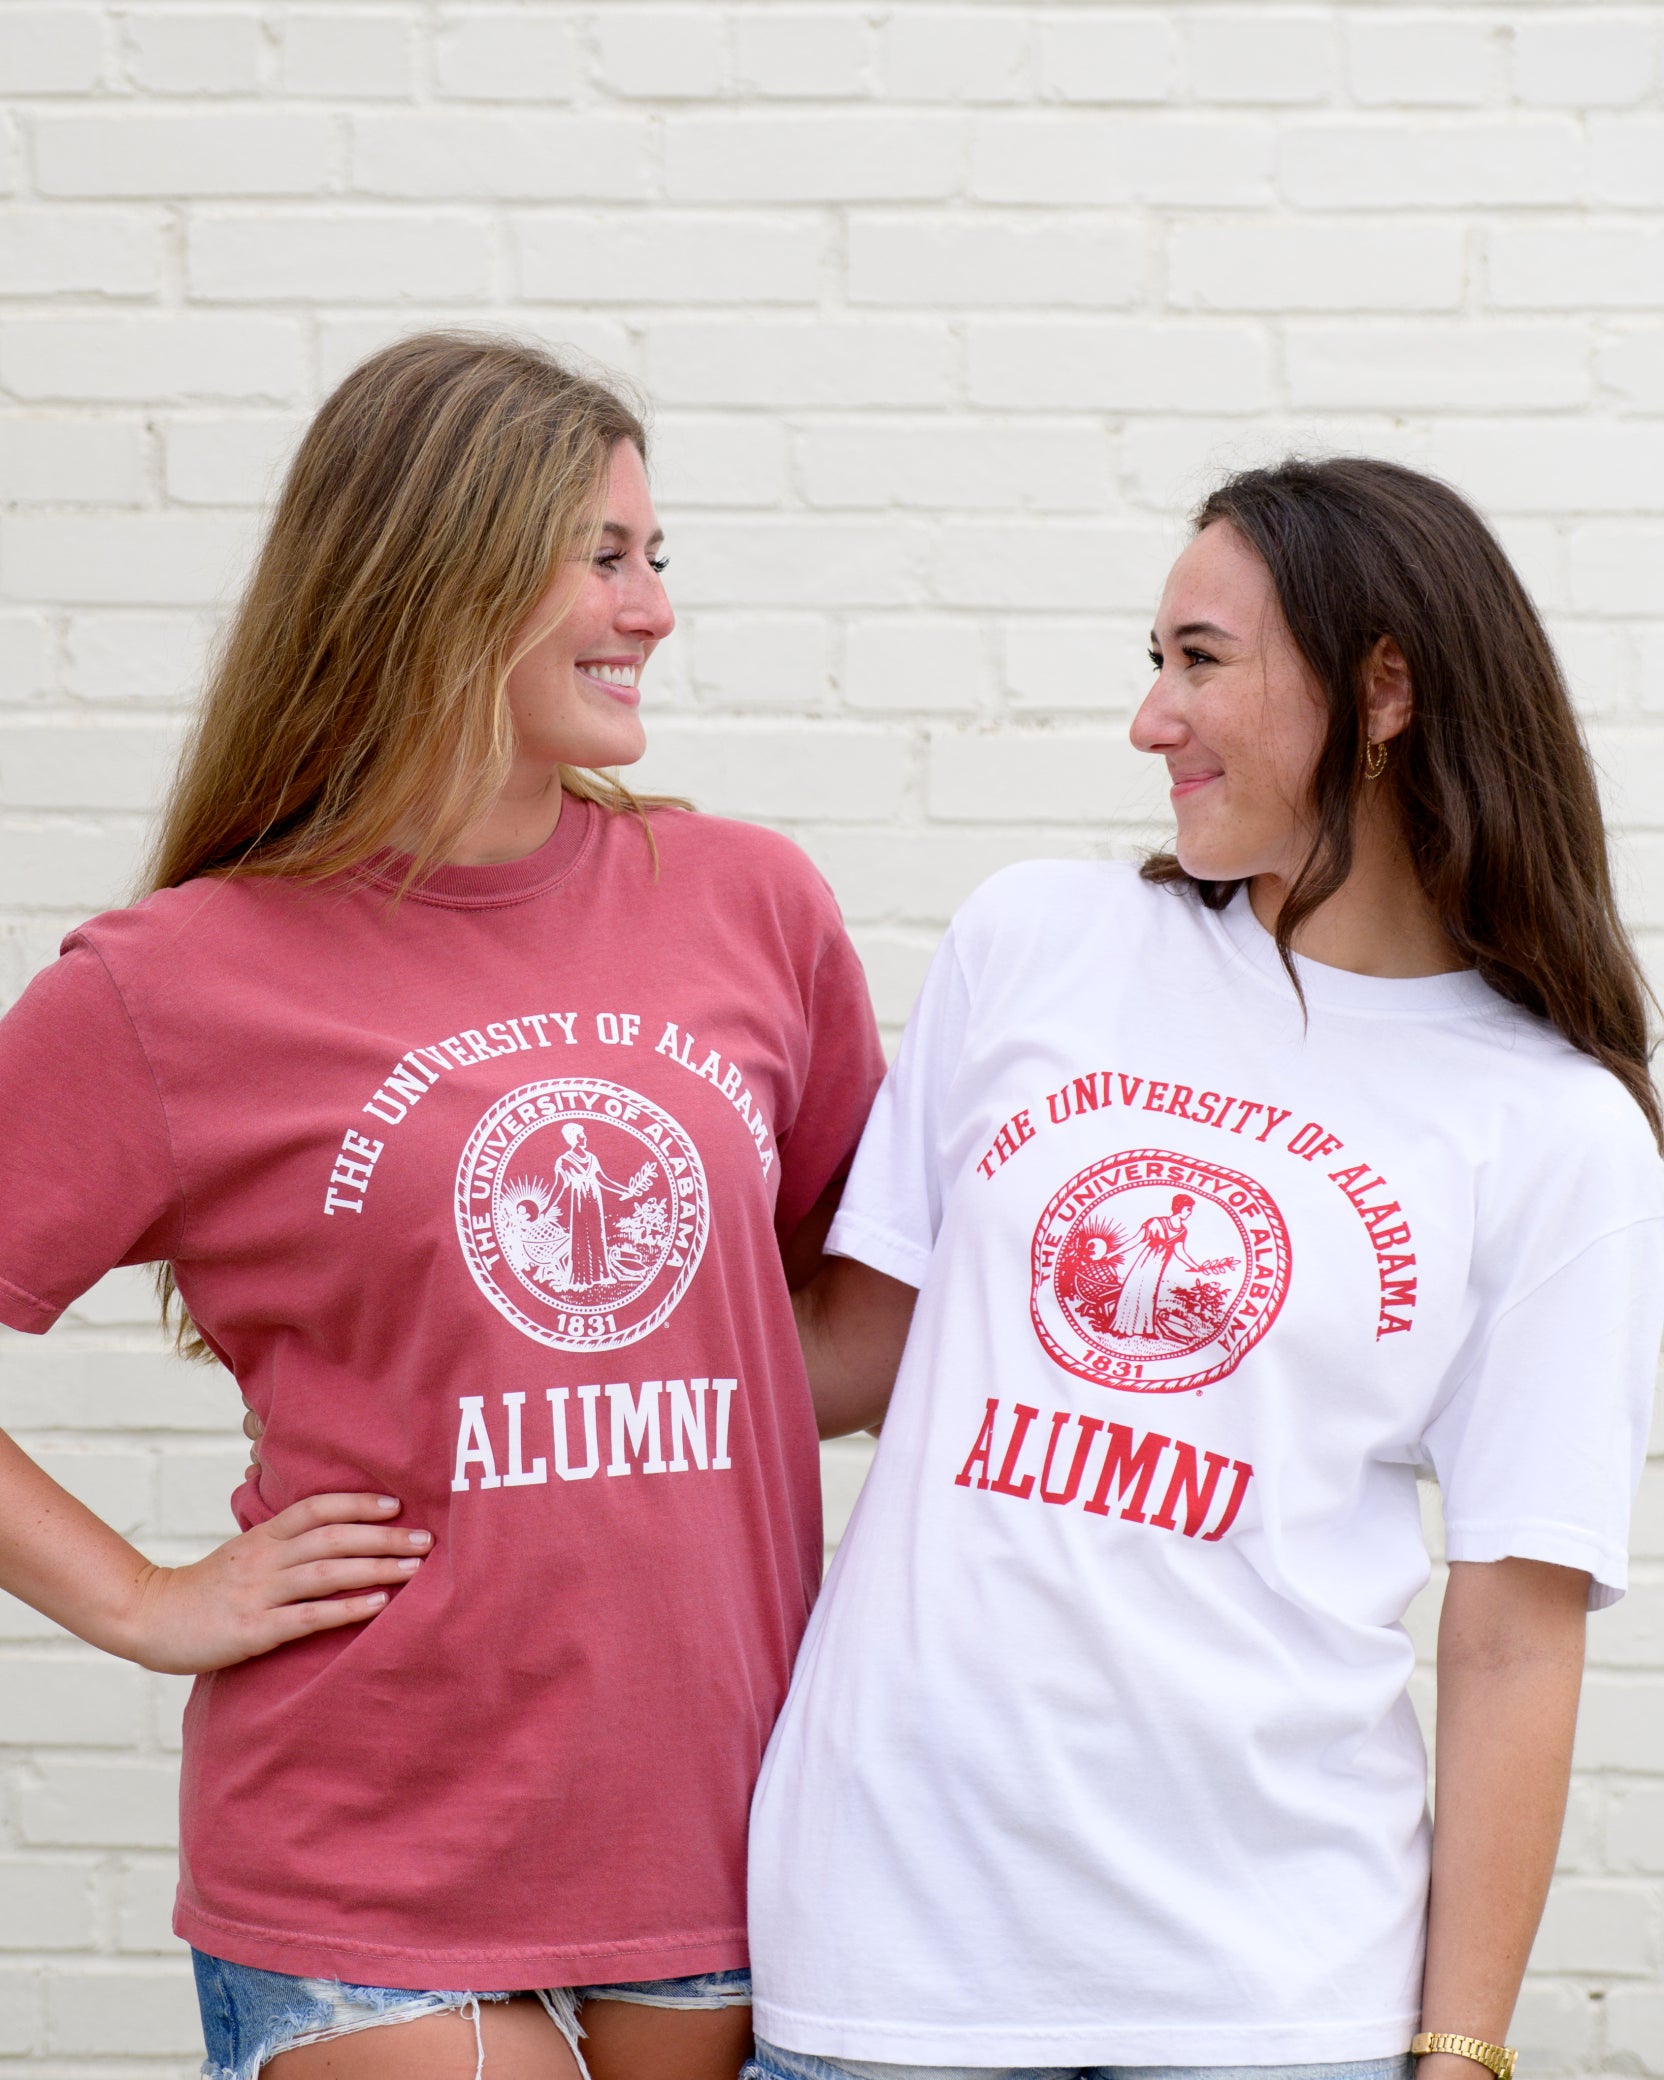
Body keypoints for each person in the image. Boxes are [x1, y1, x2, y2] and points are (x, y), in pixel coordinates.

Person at [0, 332, 883, 2080]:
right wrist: (138, 1600)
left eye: (658, 557)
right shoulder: (169, 986)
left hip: (730, 1833)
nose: (653, 610)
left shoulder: (748, 903)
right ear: (441, 570)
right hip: (370, 1857)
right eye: (606, 557)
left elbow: (851, 1326)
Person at [746, 458, 1664, 2080]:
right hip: (891, 1953)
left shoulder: (1557, 1129)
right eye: (1153, 661)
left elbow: (1516, 1629)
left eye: (1201, 660)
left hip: (1271, 1998)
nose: (1150, 720)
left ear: (1384, 690)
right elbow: (848, 1354)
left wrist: (1461, 2051)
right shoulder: (1038, 940)